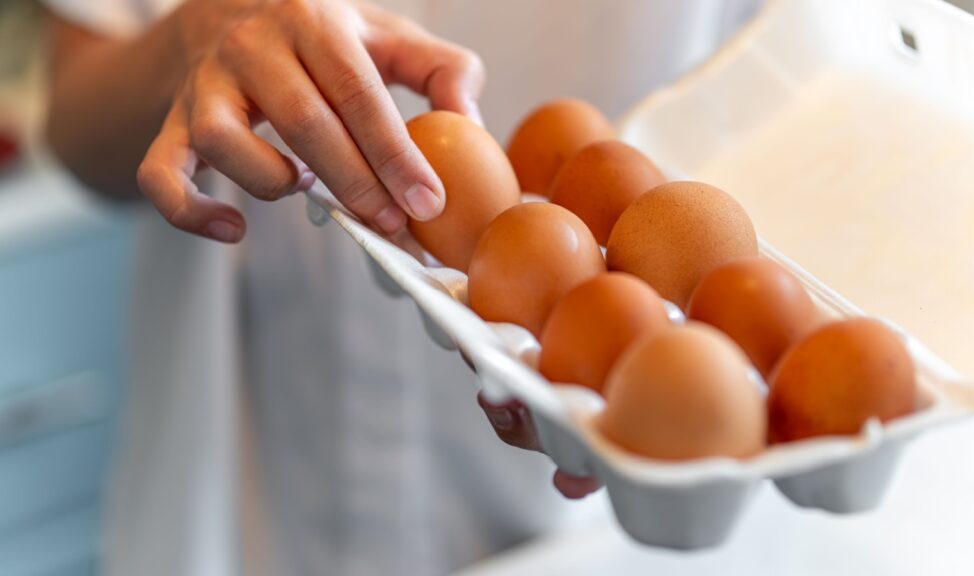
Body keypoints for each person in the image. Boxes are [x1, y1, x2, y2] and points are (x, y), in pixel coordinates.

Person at [42, 1, 761, 575]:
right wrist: (190, 35)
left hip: (580, 534)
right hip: (240, 496)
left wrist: (660, 368)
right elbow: (72, 121)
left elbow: (811, 92)